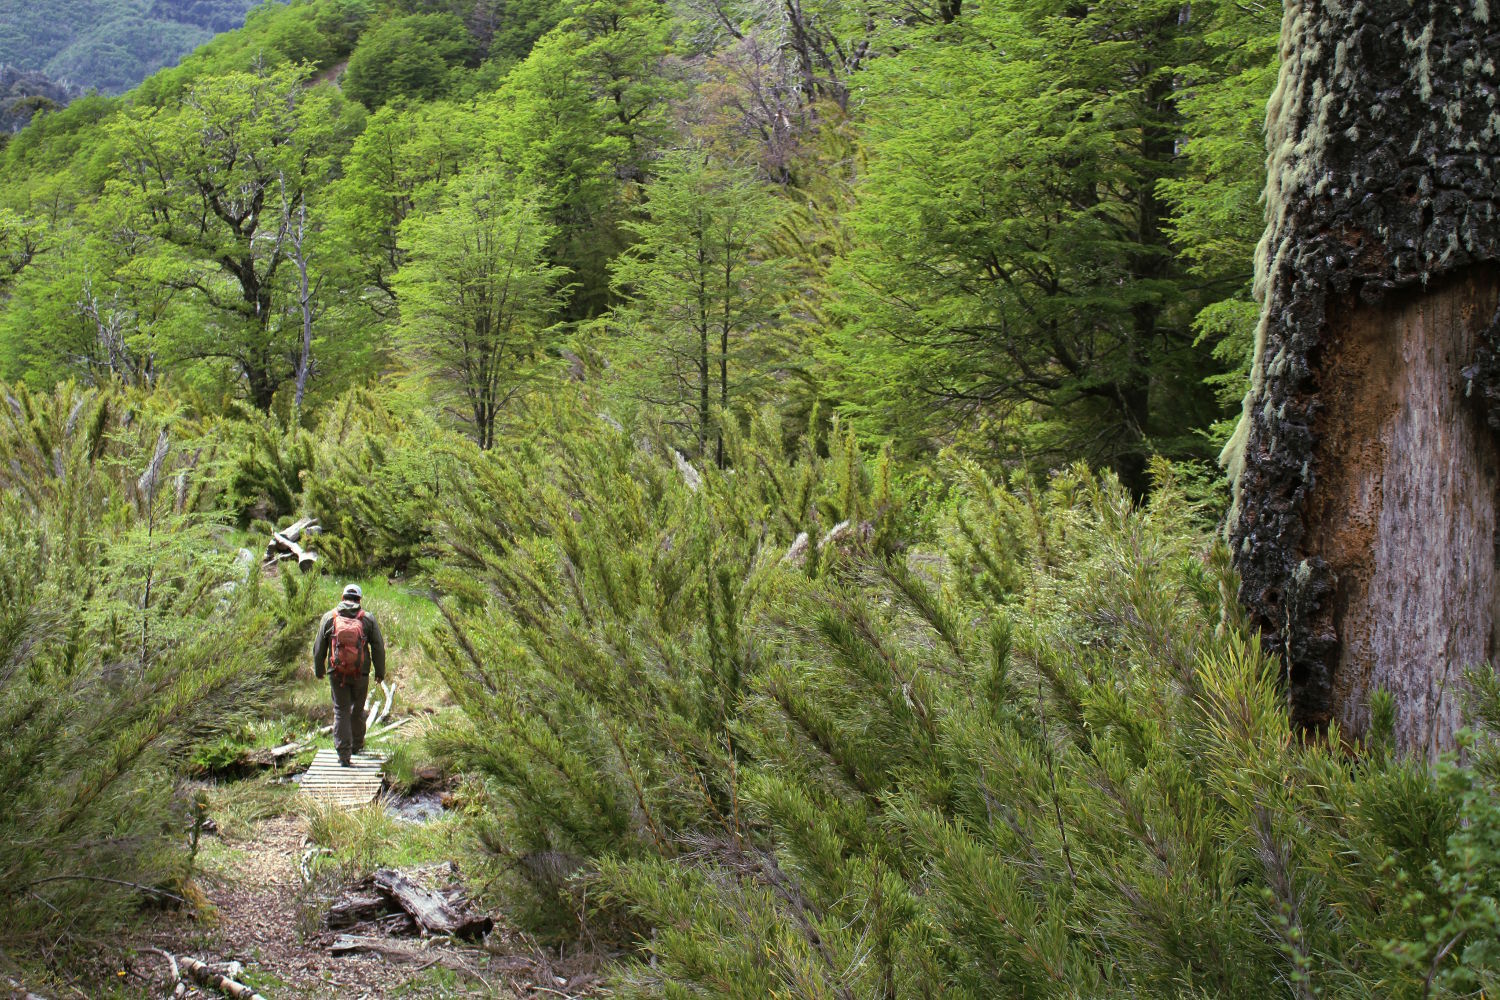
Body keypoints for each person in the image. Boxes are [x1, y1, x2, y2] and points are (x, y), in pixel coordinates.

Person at [312, 583, 388, 766]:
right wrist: (380, 672)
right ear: (359, 600)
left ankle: (344, 755)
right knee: (357, 711)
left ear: (342, 597)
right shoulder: (367, 619)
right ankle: (357, 745)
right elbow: (378, 647)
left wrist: (319, 669)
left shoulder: (329, 618)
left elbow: (318, 648)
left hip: (336, 672)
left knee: (341, 711)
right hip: (361, 674)